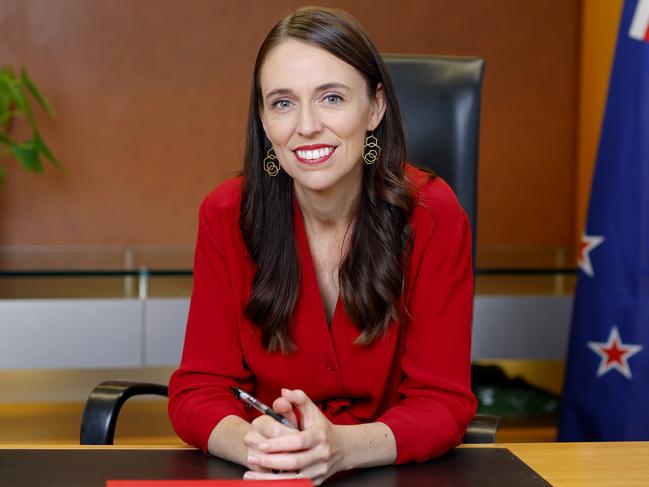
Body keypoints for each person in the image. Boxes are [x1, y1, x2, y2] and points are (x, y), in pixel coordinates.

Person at [168, 6, 476, 485]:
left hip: (390, 473)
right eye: (283, 103)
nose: (306, 126)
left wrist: (340, 449)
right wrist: (261, 445)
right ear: (265, 122)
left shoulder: (434, 215)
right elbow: (198, 391)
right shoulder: (226, 215)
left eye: (331, 97)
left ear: (374, 108)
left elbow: (444, 402)